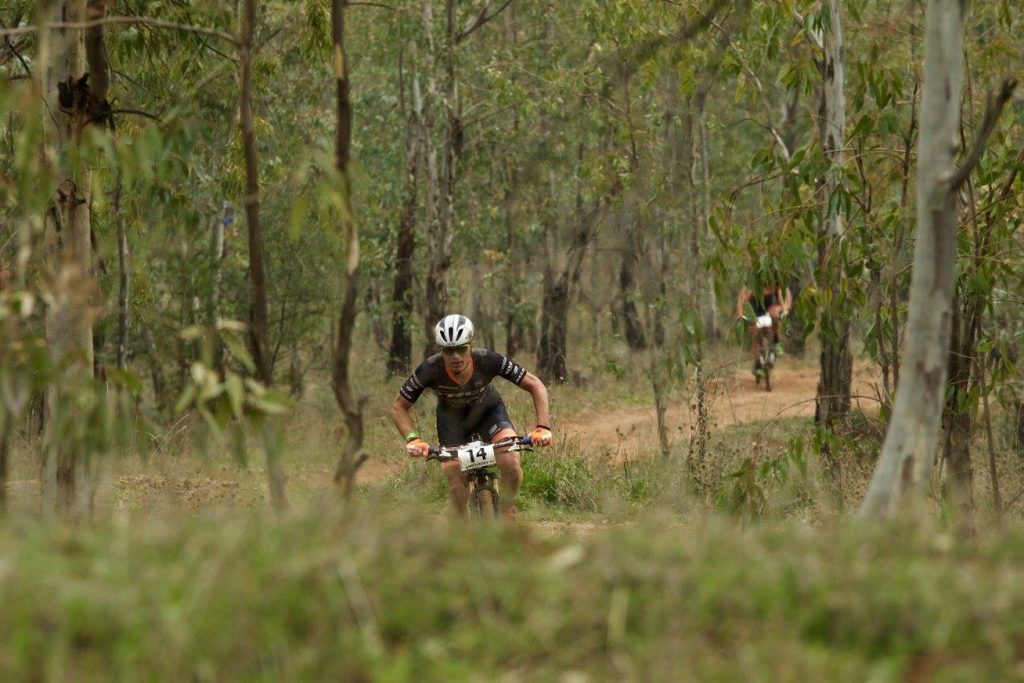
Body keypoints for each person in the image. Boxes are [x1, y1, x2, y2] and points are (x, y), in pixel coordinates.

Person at [391, 314, 552, 521]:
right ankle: (461, 532)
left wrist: (542, 427)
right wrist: (412, 438)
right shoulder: (430, 369)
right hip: (452, 423)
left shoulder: (488, 360)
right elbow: (398, 407)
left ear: (471, 345)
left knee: (511, 462)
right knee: (457, 485)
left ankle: (507, 508)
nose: (456, 356)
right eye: (449, 350)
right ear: (441, 350)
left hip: (489, 413)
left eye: (461, 348)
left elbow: (535, 385)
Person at [735, 280, 792, 379]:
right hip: (755, 305)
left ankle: (776, 342)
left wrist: (785, 309)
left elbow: (785, 296)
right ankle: (757, 363)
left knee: (775, 315)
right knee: (754, 331)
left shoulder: (775, 280)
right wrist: (741, 316)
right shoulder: (751, 283)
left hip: (771, 305)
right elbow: (742, 300)